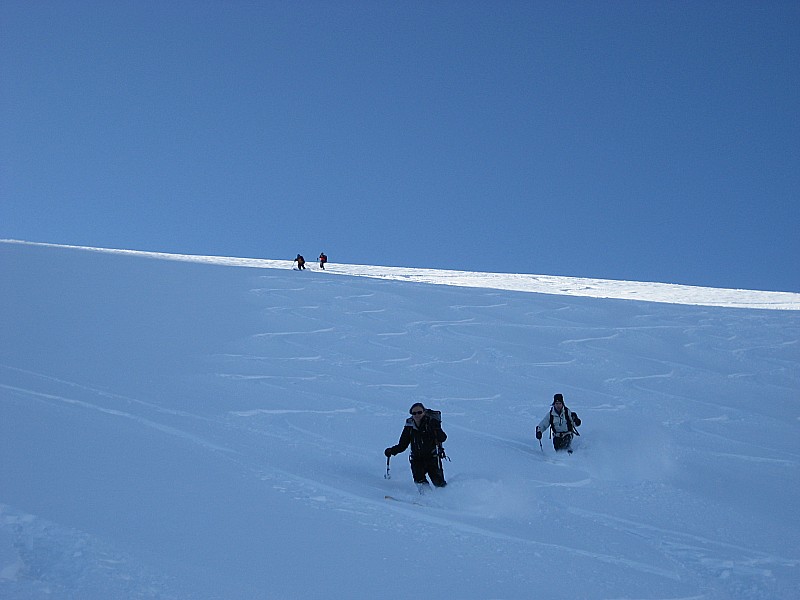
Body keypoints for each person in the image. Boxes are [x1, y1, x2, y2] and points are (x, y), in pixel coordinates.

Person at [385, 403, 447, 490]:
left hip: (432, 458)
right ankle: (427, 498)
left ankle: (445, 499)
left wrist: (436, 428)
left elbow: (443, 438)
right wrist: (392, 450)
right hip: (417, 460)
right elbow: (403, 445)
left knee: (439, 483)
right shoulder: (409, 427)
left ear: (424, 412)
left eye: (419, 412)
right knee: (419, 481)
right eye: (414, 413)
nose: (417, 415)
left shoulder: (431, 423)